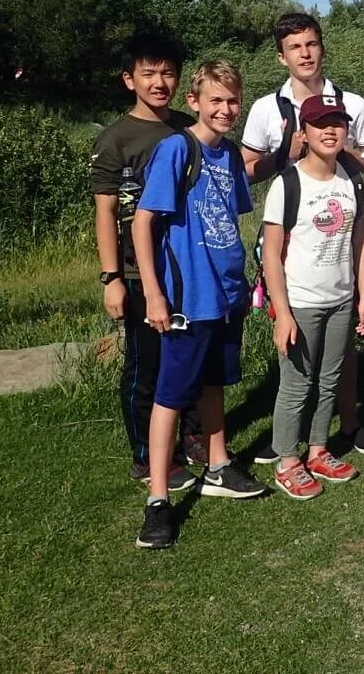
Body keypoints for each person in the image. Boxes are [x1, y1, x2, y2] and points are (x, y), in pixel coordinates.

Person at [131, 60, 266, 550]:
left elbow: (228, 221)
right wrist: (153, 292)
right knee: (171, 394)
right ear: (195, 102)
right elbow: (142, 222)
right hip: (188, 298)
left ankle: (219, 465)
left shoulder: (229, 155)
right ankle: (159, 501)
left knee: (214, 383)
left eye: (233, 100)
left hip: (227, 294)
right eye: (216, 100)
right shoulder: (176, 149)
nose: (227, 109)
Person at [240, 12, 364, 459]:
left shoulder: (352, 105)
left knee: (340, 350)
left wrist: (339, 147)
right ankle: (289, 440)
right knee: (297, 344)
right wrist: (287, 151)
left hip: (341, 224)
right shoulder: (267, 108)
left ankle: (345, 426)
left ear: (322, 48)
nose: (305, 53)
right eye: (295, 47)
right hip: (292, 232)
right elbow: (247, 170)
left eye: (311, 44)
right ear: (282, 56)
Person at [92, 32, 203, 491]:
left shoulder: (186, 128)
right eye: (149, 73)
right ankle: (146, 456)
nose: (160, 82)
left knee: (192, 358)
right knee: (146, 366)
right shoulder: (115, 139)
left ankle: (194, 438)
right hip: (140, 274)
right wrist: (112, 278)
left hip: (187, 269)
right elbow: (104, 212)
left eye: (168, 72)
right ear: (129, 79)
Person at [262, 93, 364, 500]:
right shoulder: (287, 183)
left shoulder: (351, 180)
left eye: (337, 123)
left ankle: (317, 450)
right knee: (296, 383)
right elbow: (272, 256)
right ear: (303, 133)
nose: (330, 131)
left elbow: (360, 241)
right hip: (301, 302)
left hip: (342, 299)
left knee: (330, 380)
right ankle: (287, 460)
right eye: (319, 124)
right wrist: (283, 313)